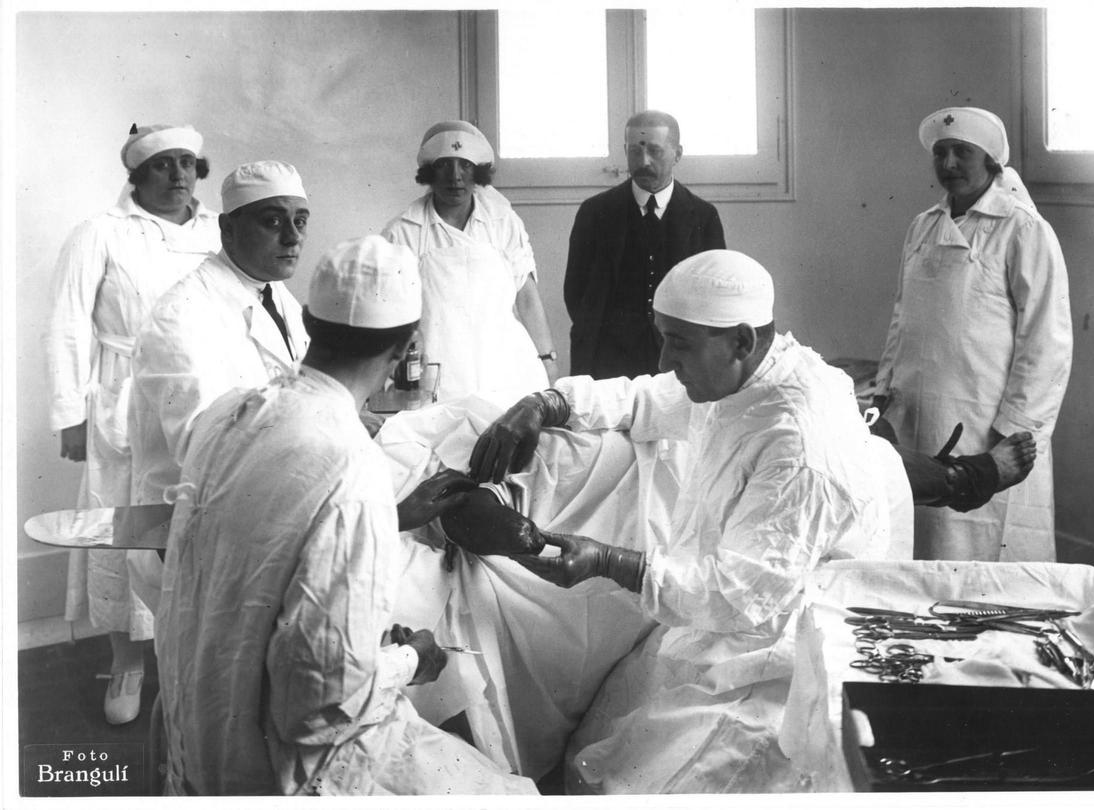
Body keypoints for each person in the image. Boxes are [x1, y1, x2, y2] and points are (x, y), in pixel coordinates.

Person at [471, 249, 895, 793]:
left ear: (741, 340)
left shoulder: (800, 444)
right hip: (715, 620)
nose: (666, 358)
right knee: (599, 748)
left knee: (645, 784)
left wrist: (609, 561)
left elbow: (739, 594)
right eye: (663, 337)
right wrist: (547, 403)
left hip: (775, 648)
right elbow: (647, 399)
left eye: (679, 343)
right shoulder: (741, 373)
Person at [155, 236, 536, 796]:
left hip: (193, 735)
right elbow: (320, 709)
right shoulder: (352, 469)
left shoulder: (228, 413)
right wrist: (412, 659)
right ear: (409, 347)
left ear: (309, 322)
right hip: (278, 775)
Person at [44, 123, 218, 725]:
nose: (178, 175)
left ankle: (192, 659)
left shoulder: (219, 230)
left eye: (187, 162)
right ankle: (127, 662)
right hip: (126, 399)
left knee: (196, 523)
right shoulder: (100, 232)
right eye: (163, 164)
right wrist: (70, 415)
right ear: (137, 175)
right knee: (124, 526)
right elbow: (67, 323)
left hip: (205, 395)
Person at [876, 107, 1073, 561]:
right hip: (918, 416)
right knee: (922, 541)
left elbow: (1047, 340)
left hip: (986, 425)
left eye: (962, 152)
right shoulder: (923, 225)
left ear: (991, 160)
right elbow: (902, 316)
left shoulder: (1023, 229)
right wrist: (884, 391)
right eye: (940, 152)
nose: (948, 164)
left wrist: (1015, 431)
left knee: (980, 547)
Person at [130, 160, 309, 510]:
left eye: (300, 221)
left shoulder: (274, 292)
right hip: (193, 515)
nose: (293, 237)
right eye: (273, 221)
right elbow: (204, 445)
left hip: (264, 495)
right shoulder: (180, 315)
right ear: (227, 228)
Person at [381, 120, 557, 405]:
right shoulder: (403, 231)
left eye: (465, 165)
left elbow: (526, 296)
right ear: (430, 172)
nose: (455, 176)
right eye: (444, 165)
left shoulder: (502, 222)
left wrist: (548, 359)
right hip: (438, 374)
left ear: (478, 172)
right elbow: (389, 311)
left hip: (507, 370)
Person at [564, 109, 725, 379]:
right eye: (634, 151)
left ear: (678, 154)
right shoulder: (595, 213)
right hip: (607, 360)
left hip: (679, 359)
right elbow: (576, 292)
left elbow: (713, 297)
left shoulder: (703, 216)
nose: (643, 161)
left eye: (655, 151)